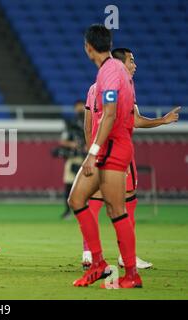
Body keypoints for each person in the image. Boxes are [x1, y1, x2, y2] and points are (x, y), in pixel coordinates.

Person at [81, 48, 181, 270]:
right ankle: (127, 257)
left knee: (92, 200)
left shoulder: (93, 88)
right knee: (128, 204)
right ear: (119, 64)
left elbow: (88, 125)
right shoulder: (124, 86)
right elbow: (135, 121)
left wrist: (92, 152)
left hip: (99, 153)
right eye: (131, 61)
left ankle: (89, 252)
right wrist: (163, 120)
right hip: (119, 152)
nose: (135, 65)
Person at [67, 24, 141, 288]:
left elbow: (109, 114)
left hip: (113, 146)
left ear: (88, 47)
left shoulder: (109, 72)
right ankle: (98, 264)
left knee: (115, 209)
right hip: (112, 145)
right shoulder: (113, 71)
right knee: (77, 199)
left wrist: (92, 153)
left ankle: (131, 274)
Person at [59, 100, 86, 220]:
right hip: (73, 158)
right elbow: (62, 140)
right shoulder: (70, 124)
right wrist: (73, 144)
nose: (80, 109)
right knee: (69, 185)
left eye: (82, 107)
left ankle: (84, 210)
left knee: (86, 187)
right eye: (78, 107)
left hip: (87, 158)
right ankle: (68, 210)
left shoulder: (91, 122)